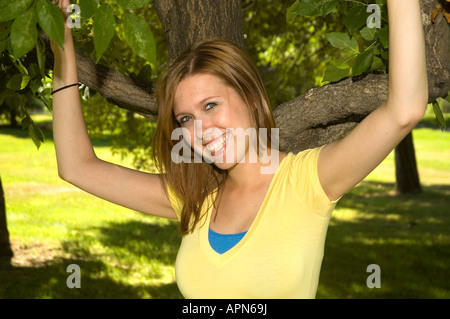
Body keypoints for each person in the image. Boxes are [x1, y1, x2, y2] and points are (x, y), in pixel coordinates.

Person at [51, 0, 428, 298]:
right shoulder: (196, 198)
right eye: (185, 119)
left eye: (211, 106)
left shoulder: (308, 181)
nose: (200, 130)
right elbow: (77, 167)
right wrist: (61, 44)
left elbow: (404, 109)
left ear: (250, 97)